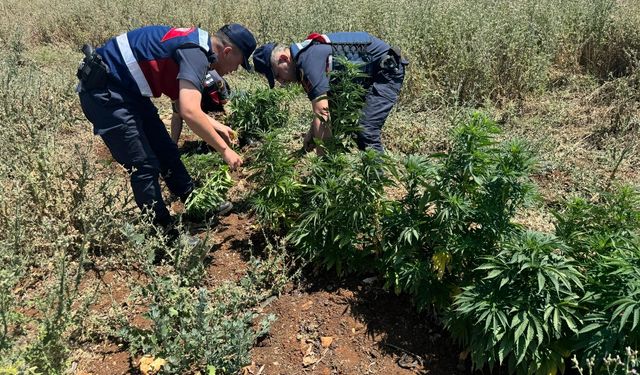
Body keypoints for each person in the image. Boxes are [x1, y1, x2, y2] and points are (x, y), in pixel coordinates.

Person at [76, 24, 255, 232]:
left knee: (166, 150)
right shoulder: (196, 55)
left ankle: (197, 203)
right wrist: (224, 150)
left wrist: (217, 125)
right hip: (106, 93)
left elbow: (182, 104)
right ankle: (163, 233)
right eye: (239, 63)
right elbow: (189, 112)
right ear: (227, 51)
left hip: (128, 91)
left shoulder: (196, 46)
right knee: (143, 165)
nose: (234, 70)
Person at [252, 32, 408, 154]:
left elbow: (322, 112)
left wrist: (323, 165)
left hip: (386, 70)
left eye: (278, 75)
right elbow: (326, 107)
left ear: (284, 59)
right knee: (342, 120)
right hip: (370, 73)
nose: (282, 82)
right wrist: (312, 134)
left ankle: (377, 183)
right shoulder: (302, 60)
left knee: (366, 130)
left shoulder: (307, 61)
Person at [170, 70, 232, 144]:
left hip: (216, 105)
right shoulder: (181, 87)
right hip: (201, 107)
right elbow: (177, 115)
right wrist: (173, 143)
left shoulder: (216, 80)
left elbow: (227, 106)